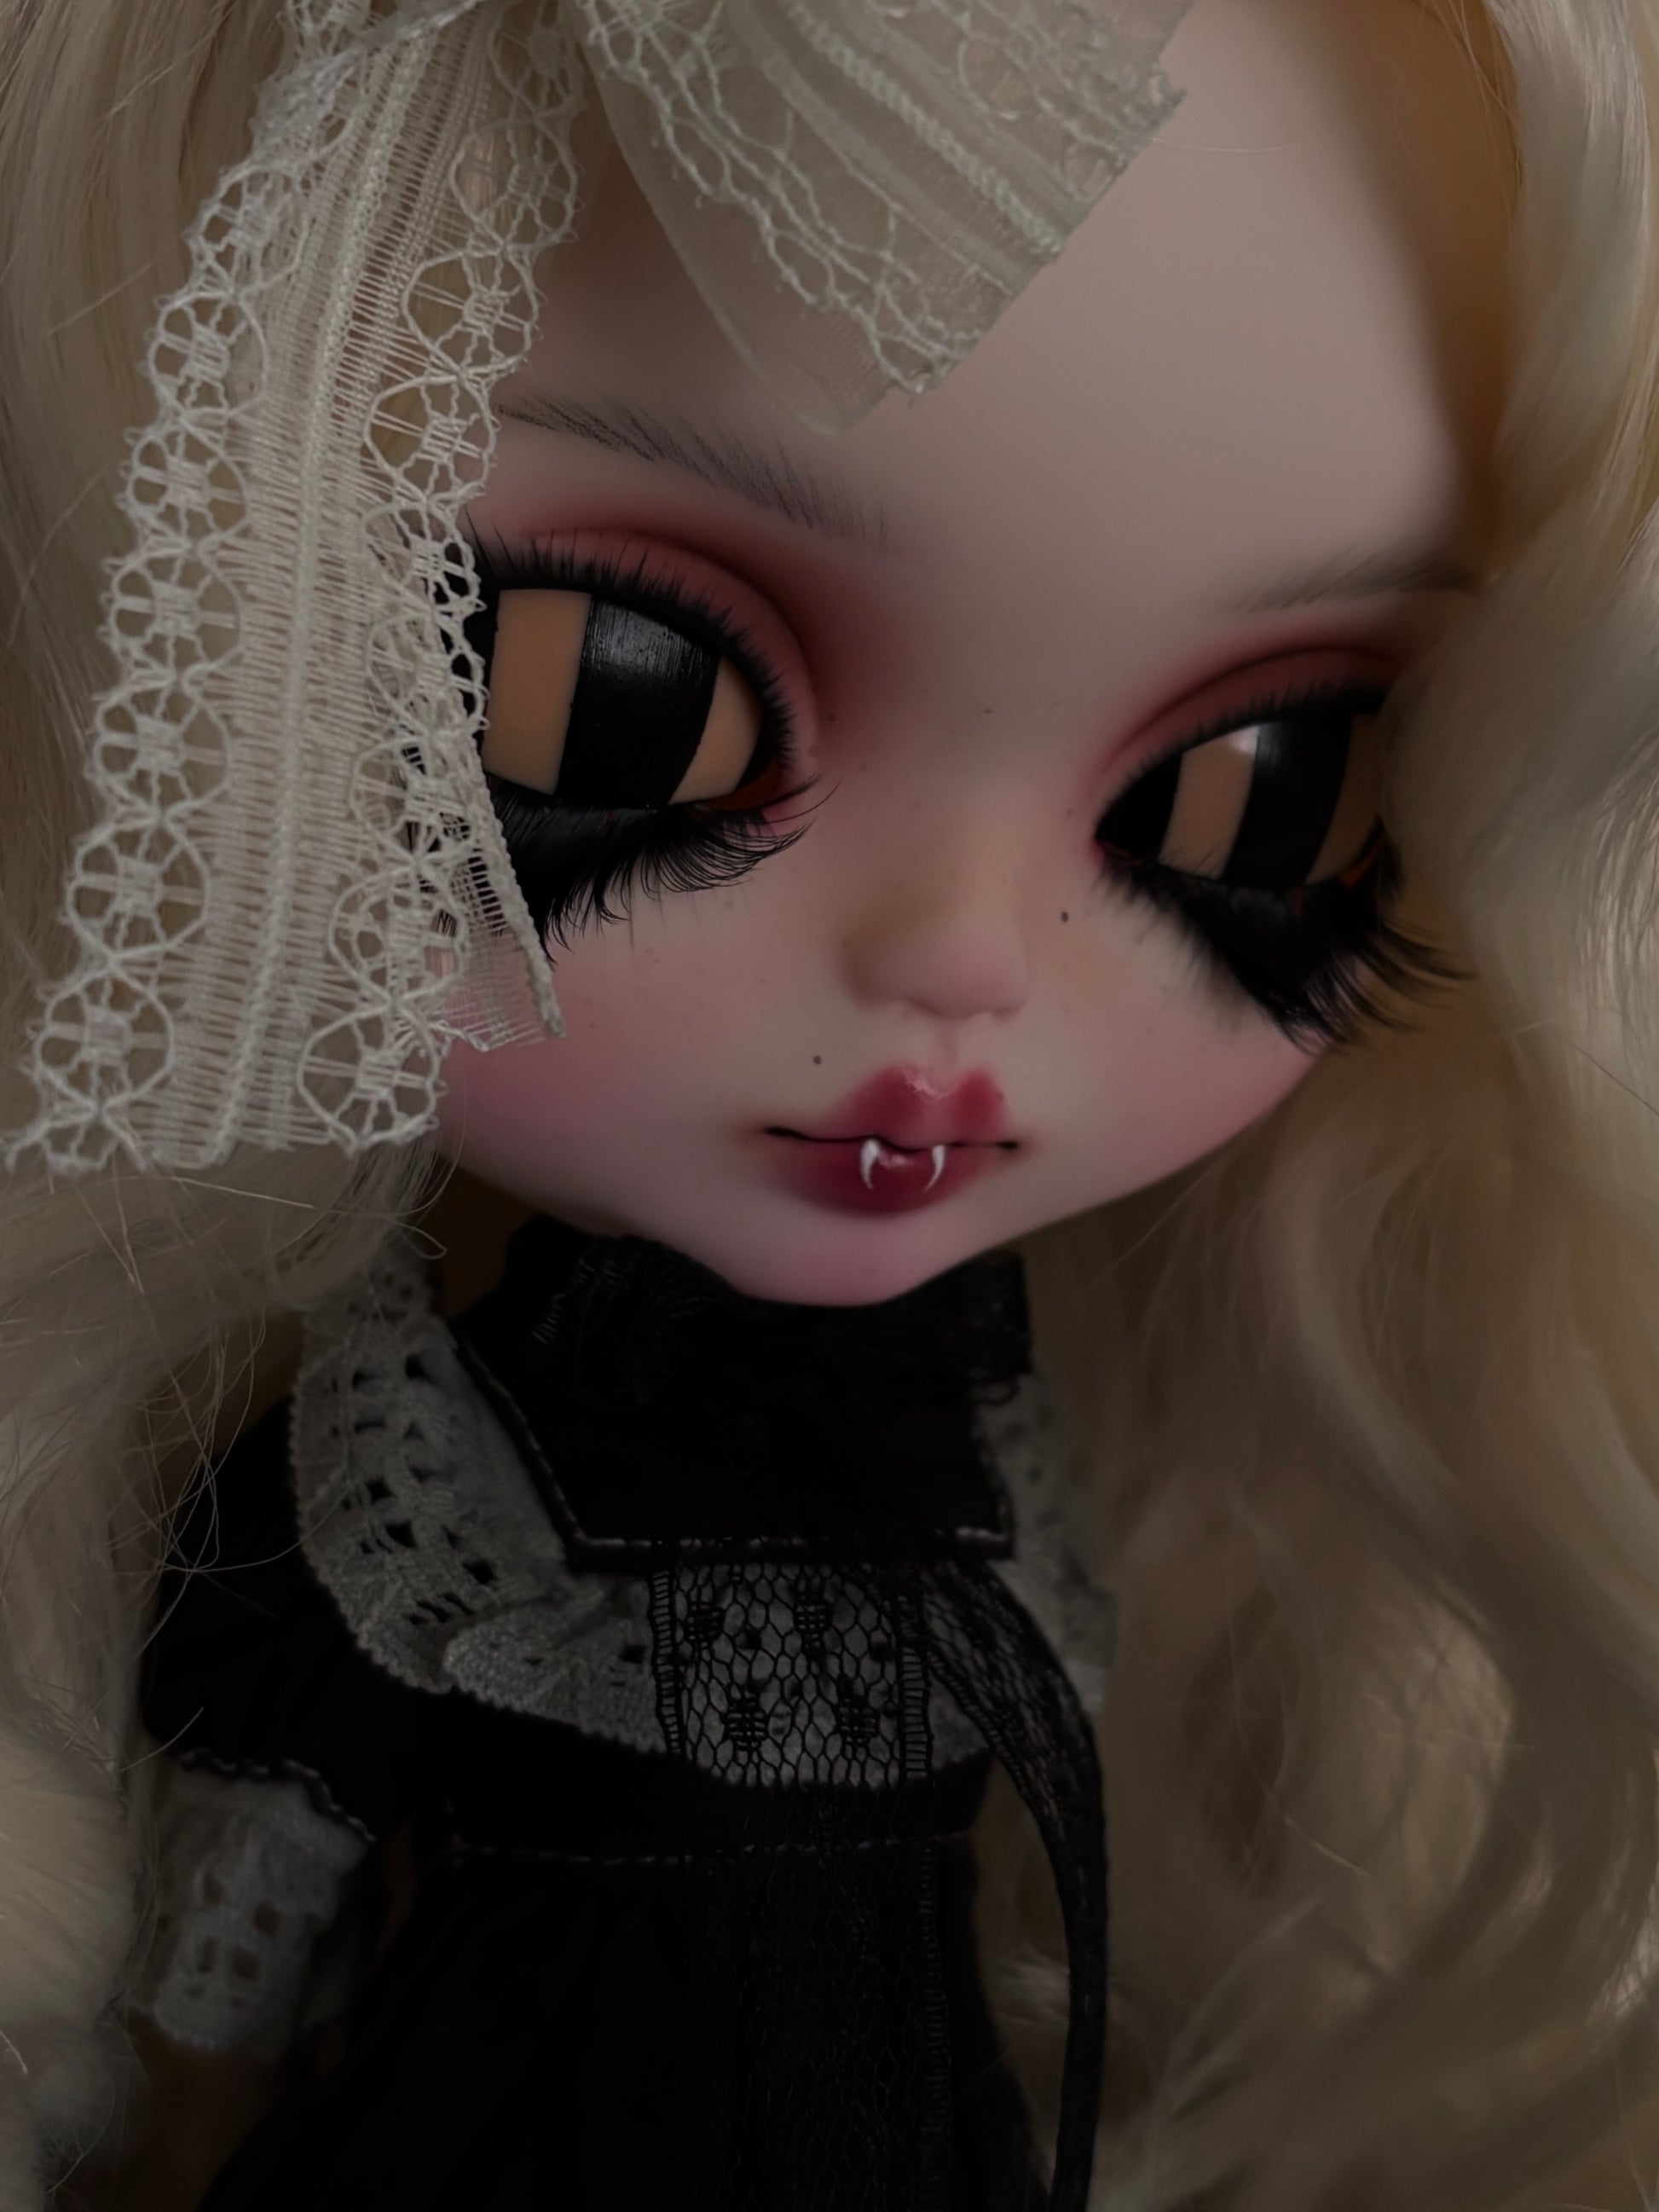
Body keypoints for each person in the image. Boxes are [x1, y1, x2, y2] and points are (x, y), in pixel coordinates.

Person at [2, 0, 1657, 2205]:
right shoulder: (463, 1449)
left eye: (1254, 790)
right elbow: (283, 1792)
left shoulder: (984, 1425)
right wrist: (200, 2043)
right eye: (615, 702)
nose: (966, 962)